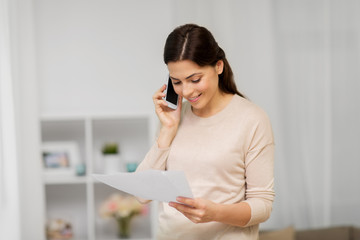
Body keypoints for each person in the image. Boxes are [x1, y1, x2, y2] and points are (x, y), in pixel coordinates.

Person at [136, 23, 274, 240]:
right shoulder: (173, 117)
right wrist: (168, 129)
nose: (187, 91)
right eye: (177, 82)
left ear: (218, 66)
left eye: (195, 79)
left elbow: (263, 206)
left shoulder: (252, 119)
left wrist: (214, 213)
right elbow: (142, 194)